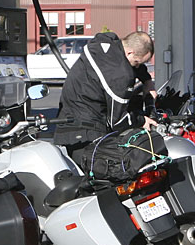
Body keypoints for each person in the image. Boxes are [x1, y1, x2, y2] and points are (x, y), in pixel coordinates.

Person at [54, 30, 155, 158]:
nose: (137, 67)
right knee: (110, 170)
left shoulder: (105, 42)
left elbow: (135, 65)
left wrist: (146, 81)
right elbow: (118, 121)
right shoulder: (120, 74)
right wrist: (141, 120)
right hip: (84, 133)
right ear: (130, 52)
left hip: (68, 122)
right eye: (137, 62)